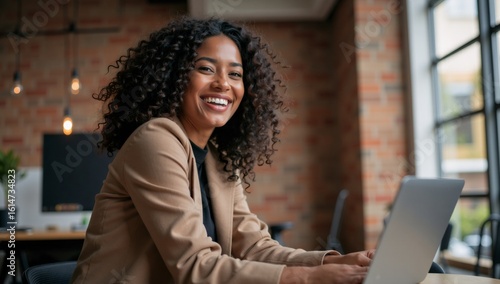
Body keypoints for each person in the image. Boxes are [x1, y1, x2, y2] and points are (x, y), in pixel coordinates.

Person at [71, 17, 374, 284]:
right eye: (206, 68)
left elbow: (254, 247)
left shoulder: (219, 159)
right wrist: (309, 279)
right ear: (175, 77)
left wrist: (335, 262)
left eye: (235, 74)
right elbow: (195, 266)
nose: (223, 84)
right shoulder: (155, 140)